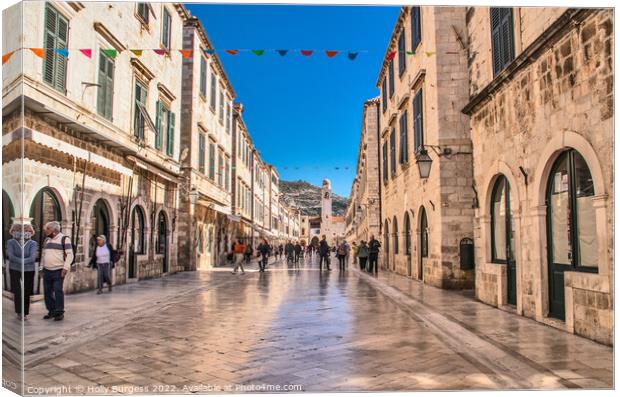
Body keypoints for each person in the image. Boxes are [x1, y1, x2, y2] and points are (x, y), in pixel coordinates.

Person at [40, 221, 73, 321]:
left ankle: (59, 312)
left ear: (54, 230)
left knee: (58, 290)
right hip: (47, 270)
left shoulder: (64, 239)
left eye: (48, 229)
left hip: (58, 270)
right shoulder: (47, 240)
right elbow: (43, 255)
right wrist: (41, 268)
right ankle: (51, 311)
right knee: (47, 292)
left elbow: (70, 255)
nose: (45, 231)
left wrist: (65, 268)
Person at [6, 223, 38, 320]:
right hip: (15, 270)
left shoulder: (33, 243)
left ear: (31, 232)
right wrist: (24, 261)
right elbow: (11, 257)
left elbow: (32, 258)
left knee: (26, 292)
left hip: (29, 271)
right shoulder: (11, 242)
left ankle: (24, 313)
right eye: (23, 231)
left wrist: (21, 261)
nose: (25, 233)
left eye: (28, 231)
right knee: (17, 291)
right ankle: (19, 312)